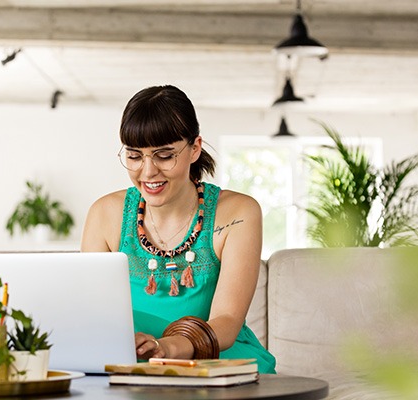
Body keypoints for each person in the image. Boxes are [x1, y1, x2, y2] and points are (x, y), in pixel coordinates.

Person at [81, 85, 276, 374]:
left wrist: (165, 347)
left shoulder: (238, 212)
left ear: (195, 148)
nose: (148, 172)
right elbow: (90, 313)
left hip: (215, 361)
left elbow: (226, 320)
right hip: (130, 363)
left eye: (164, 155)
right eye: (135, 156)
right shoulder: (104, 214)